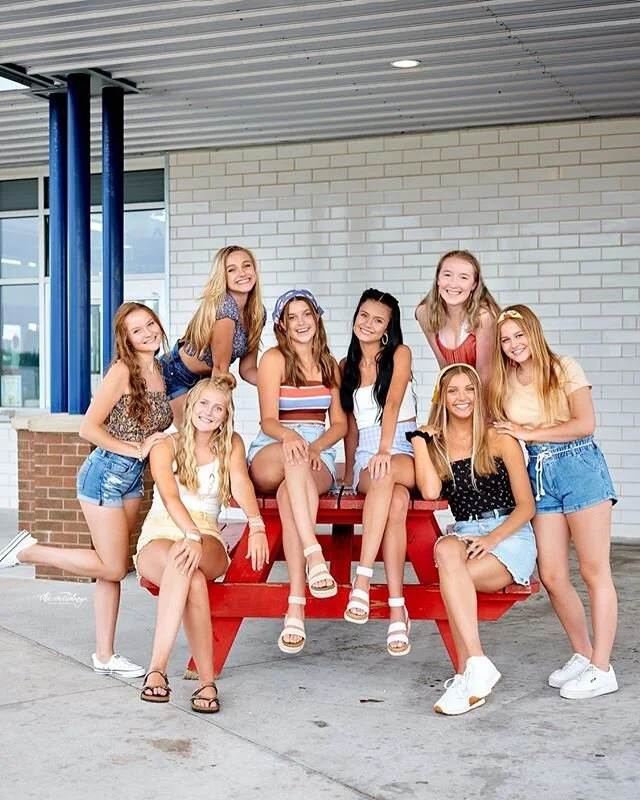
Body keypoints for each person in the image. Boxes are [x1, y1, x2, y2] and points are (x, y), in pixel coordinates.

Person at [0, 302, 173, 678]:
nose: (147, 333)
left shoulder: (159, 370)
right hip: (104, 476)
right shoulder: (122, 371)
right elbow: (89, 428)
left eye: (150, 324)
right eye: (136, 330)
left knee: (108, 571)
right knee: (113, 564)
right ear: (124, 338)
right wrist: (136, 448)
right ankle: (29, 551)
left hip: (131, 481)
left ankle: (104, 655)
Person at [490, 305, 619, 700]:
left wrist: (530, 431)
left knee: (594, 569)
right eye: (506, 339)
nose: (514, 345)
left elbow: (585, 423)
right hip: (539, 473)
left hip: (578, 464)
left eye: (519, 335)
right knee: (551, 573)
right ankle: (582, 653)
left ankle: (602, 667)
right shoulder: (503, 380)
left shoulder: (563, 367)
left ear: (534, 331)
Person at [135, 375, 268, 712]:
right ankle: (205, 682)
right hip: (162, 531)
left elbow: (239, 482)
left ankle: (157, 671)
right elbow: (168, 495)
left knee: (188, 563)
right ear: (192, 405)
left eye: (219, 408)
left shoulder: (231, 443)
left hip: (208, 532)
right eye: (205, 403)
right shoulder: (166, 444)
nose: (210, 412)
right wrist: (188, 535)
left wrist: (256, 523)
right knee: (188, 570)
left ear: (226, 415)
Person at [412, 363, 536, 715]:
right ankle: (476, 665)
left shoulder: (499, 438)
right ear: (443, 398)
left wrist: (494, 538)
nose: (462, 397)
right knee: (446, 550)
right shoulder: (438, 446)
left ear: (477, 395)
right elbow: (432, 490)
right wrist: (420, 442)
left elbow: (526, 506)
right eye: (453, 391)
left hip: (508, 535)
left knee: (453, 578)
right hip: (466, 532)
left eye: (468, 389)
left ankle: (469, 671)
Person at [247, 289, 347, 655]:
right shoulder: (274, 359)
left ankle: (295, 605)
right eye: (293, 317)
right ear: (282, 325)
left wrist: (316, 447)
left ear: (317, 318)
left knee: (293, 492)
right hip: (274, 444)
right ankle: (314, 555)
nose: (301, 322)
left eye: (307, 314)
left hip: (315, 449)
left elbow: (337, 423)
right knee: (293, 460)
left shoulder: (330, 364)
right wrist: (290, 436)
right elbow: (268, 419)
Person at [340, 289, 416, 656]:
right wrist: (350, 466)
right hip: (370, 456)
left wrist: (386, 449)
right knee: (395, 503)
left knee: (387, 475)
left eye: (378, 320)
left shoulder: (399, 354)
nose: (368, 324)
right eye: (364, 315)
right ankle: (398, 609)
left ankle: (363, 579)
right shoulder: (346, 365)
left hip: (403, 446)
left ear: (388, 328)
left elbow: (394, 402)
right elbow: (351, 425)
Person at [160, 245, 266, 425]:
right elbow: (220, 369)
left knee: (209, 439)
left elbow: (247, 370)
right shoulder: (226, 308)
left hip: (207, 379)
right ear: (222, 277)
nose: (242, 273)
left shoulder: (257, 313)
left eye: (246, 266)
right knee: (196, 437)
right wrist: (226, 418)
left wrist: (280, 382)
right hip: (175, 373)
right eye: (231, 270)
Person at [415, 250, 500, 386]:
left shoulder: (483, 317)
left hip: (491, 394)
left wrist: (475, 407)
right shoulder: (424, 313)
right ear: (438, 279)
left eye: (463, 277)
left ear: (474, 285)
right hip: (460, 395)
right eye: (447, 275)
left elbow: (485, 375)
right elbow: (445, 369)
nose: (453, 284)